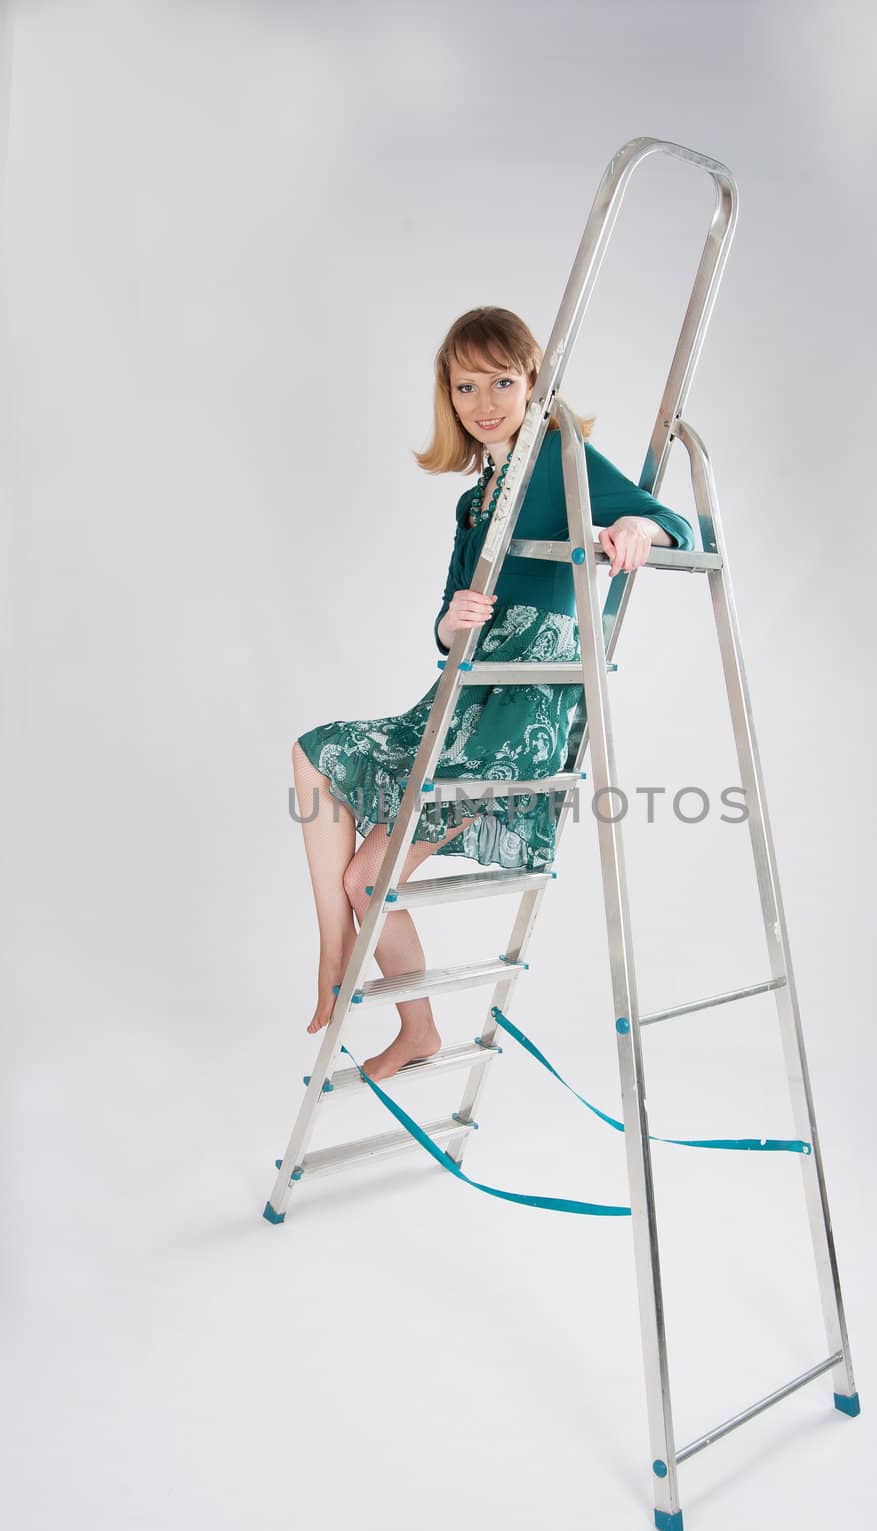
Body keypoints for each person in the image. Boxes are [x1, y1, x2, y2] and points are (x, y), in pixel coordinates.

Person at [292, 306, 694, 1077]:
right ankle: (340, 956)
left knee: (370, 876)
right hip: (463, 695)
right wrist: (452, 621)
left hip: (519, 711)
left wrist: (643, 533)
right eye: (466, 386)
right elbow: (448, 620)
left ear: (533, 381)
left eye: (502, 382)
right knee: (316, 759)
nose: (484, 403)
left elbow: (673, 521)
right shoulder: (474, 500)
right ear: (448, 394)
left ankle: (366, 985)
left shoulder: (556, 460)